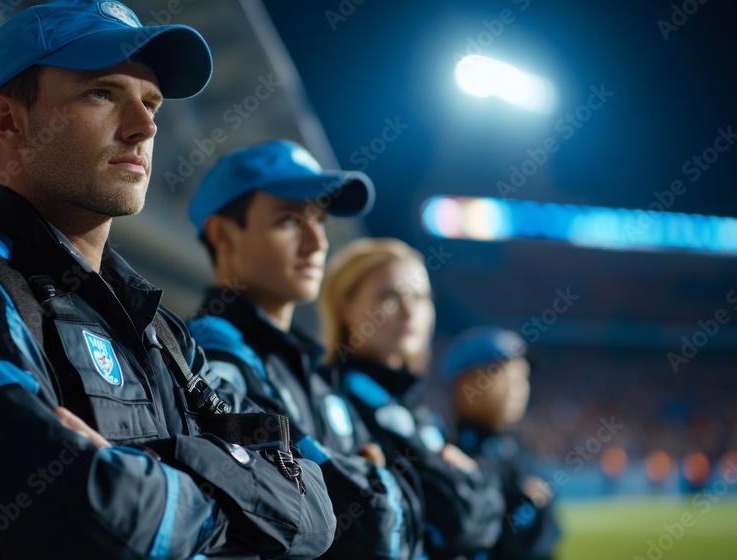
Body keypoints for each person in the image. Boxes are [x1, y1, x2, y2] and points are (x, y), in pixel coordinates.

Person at [0, 2, 335, 559]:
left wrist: (147, 473)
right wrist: (233, 500)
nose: (145, 126)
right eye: (103, 93)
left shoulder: (163, 333)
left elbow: (314, 511)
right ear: (9, 121)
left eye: (151, 102)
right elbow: (77, 515)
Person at [185, 139, 425, 559]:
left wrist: (349, 477)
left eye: (320, 219)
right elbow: (351, 520)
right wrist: (362, 473)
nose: (318, 242)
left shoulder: (312, 367)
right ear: (223, 234)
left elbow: (400, 511)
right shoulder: (202, 356)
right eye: (290, 220)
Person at [320, 237, 506, 560]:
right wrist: (468, 482)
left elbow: (483, 523)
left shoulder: (414, 405)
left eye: (420, 297)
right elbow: (453, 524)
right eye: (389, 296)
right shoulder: (328, 400)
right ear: (345, 307)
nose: (409, 310)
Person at [445, 327, 561, 560]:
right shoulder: (456, 455)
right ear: (465, 383)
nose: (518, 388)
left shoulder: (516, 448)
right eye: (504, 374)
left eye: (523, 377)